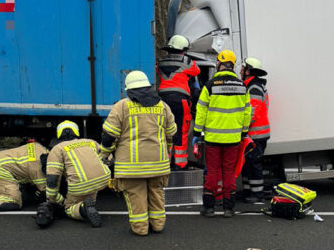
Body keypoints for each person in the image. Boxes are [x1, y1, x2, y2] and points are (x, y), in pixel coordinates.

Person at [100, 70, 177, 236]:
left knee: (136, 196)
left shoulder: (121, 106)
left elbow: (109, 136)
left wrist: (104, 155)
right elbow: (171, 133)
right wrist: (167, 149)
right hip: (158, 164)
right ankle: (158, 225)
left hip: (131, 167)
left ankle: (141, 229)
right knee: (156, 193)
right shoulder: (162, 106)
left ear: (129, 89)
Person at [193, 50, 251, 218]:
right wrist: (244, 131)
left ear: (219, 63)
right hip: (233, 138)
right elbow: (247, 112)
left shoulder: (210, 85)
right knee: (229, 173)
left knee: (212, 172)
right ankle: (229, 209)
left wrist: (198, 130)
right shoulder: (242, 86)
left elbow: (201, 109)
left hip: (212, 138)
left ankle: (209, 208)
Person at [43, 120, 111, 228]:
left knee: (69, 208)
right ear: (76, 132)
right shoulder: (90, 142)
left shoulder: (57, 149)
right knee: (89, 196)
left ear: (59, 134)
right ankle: (88, 203)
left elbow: (52, 178)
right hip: (103, 179)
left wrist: (53, 199)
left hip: (79, 184)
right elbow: (108, 158)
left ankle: (83, 208)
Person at [157, 34, 201, 169]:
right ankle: (180, 164)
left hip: (163, 100)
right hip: (180, 101)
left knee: (165, 132)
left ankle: (166, 162)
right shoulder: (187, 61)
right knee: (181, 131)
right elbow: (196, 71)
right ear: (183, 49)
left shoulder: (161, 62)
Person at [240, 57, 270, 204]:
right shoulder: (251, 86)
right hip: (254, 134)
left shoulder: (254, 87)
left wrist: (241, 128)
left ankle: (258, 195)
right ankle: (249, 191)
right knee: (247, 163)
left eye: (243, 68)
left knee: (253, 163)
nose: (240, 70)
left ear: (248, 71)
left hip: (256, 134)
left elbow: (252, 112)